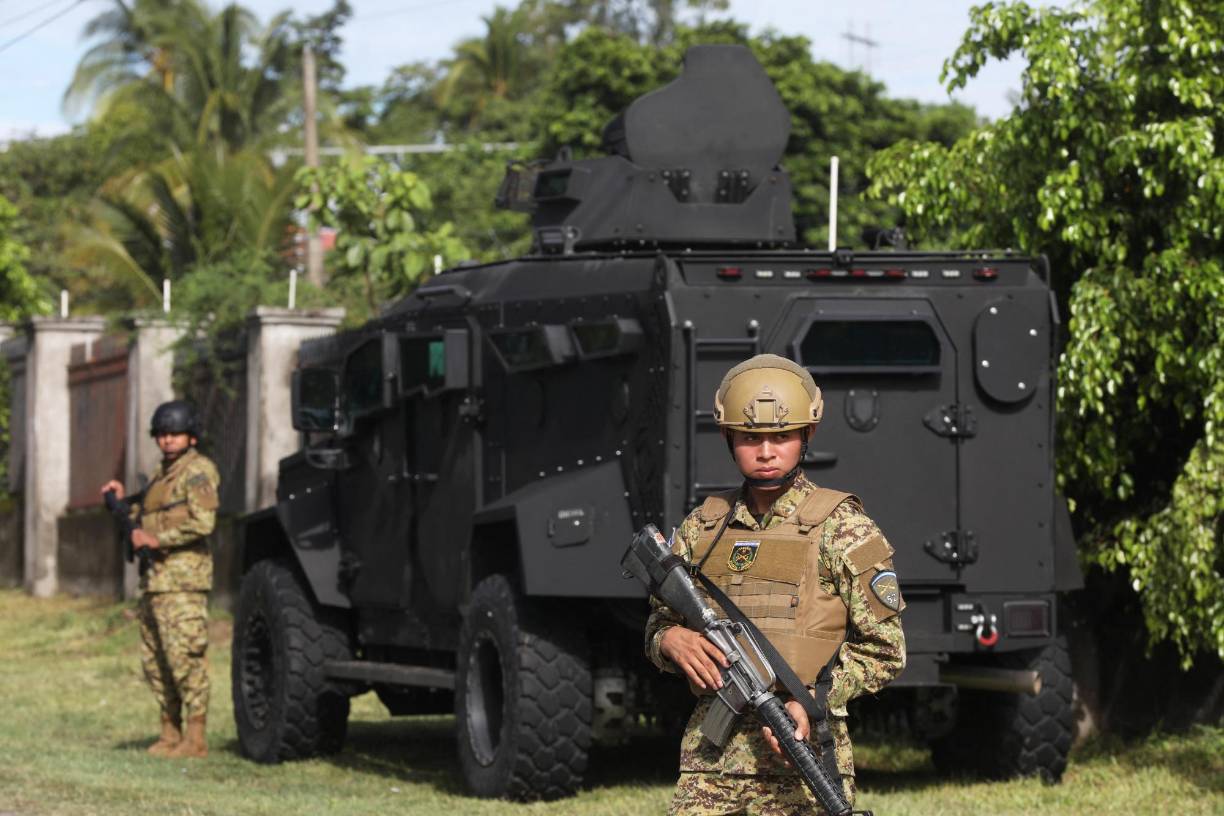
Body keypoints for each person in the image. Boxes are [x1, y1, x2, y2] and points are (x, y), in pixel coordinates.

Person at [645, 354, 906, 814]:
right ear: (728, 437)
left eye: (781, 436)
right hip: (710, 765)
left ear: (808, 434)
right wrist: (670, 639)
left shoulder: (842, 528)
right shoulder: (703, 527)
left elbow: (886, 650)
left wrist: (814, 701)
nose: (766, 450)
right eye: (750, 437)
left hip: (803, 756)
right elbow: (659, 621)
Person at [101, 400, 220, 759]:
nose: (167, 440)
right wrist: (122, 503)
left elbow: (203, 522)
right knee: (156, 660)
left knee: (185, 656)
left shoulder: (198, 472)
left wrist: (157, 540)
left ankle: (195, 737)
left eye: (175, 434)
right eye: (162, 434)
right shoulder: (161, 474)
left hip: (183, 581)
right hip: (155, 579)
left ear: (191, 436)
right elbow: (148, 514)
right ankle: (170, 732)